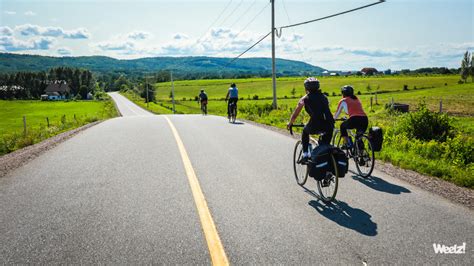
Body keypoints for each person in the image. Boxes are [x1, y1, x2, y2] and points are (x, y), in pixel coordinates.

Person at [287, 77, 335, 162]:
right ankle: (328, 170)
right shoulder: (324, 97)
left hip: (315, 124)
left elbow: (295, 114)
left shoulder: (305, 99)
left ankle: (305, 154)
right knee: (325, 148)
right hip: (329, 125)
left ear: (306, 88)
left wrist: (290, 123)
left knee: (305, 132)